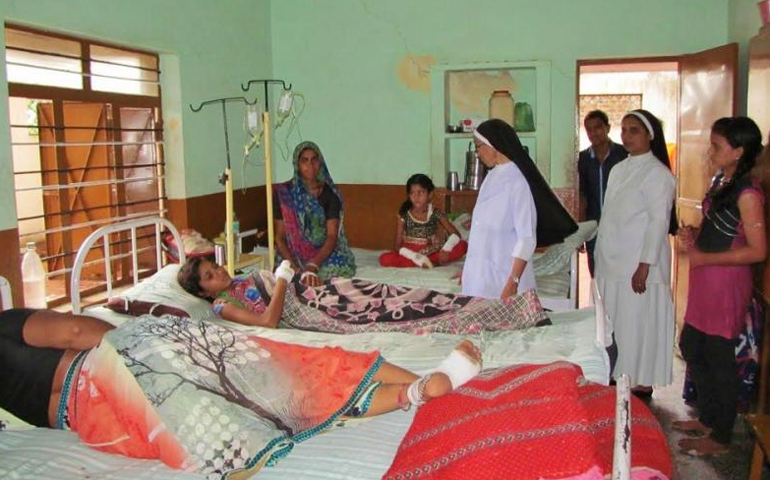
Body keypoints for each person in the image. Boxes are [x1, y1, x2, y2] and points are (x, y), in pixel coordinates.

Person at [0, 304, 481, 478]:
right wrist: (135, 327)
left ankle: (410, 396)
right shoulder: (7, 324)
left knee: (226, 408)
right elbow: (74, 335)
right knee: (271, 366)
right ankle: (412, 381)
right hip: (106, 369)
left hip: (94, 423)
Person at [673, 117, 765, 456]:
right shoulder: (721, 181)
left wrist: (703, 258)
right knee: (692, 345)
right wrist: (694, 236)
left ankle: (721, 436)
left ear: (738, 151)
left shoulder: (748, 193)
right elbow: (719, 233)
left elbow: (757, 250)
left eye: (717, 146)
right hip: (706, 279)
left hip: (725, 283)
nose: (710, 152)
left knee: (718, 356)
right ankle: (709, 417)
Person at [178, 256, 549, 334]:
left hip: (322, 295)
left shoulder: (242, 277)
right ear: (203, 292)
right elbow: (269, 321)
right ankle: (510, 315)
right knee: (395, 313)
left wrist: (303, 279)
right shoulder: (227, 306)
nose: (221, 273)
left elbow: (289, 287)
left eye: (216, 266)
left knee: (398, 291)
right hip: (310, 314)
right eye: (211, 276)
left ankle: (506, 307)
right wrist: (282, 281)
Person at [593, 109, 677, 397]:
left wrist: (645, 265)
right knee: (617, 322)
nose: (626, 136)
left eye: (634, 131)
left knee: (638, 323)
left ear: (650, 136)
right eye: (624, 130)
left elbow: (658, 222)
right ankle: (619, 374)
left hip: (638, 264)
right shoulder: (619, 168)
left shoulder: (658, 174)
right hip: (613, 262)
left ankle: (640, 380)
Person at [461, 119, 577, 300]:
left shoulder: (518, 182)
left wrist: (513, 281)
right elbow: (483, 232)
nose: (477, 153)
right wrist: (470, 269)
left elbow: (526, 239)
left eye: (478, 147)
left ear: (494, 145)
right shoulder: (491, 176)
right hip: (482, 278)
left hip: (505, 281)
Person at [274, 141, 355, 287]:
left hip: (322, 253)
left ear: (320, 162)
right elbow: (280, 238)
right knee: (284, 273)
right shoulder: (284, 194)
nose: (310, 165)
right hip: (292, 254)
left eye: (314, 159)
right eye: (304, 160)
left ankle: (311, 279)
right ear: (297, 164)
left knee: (337, 270)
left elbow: (332, 236)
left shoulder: (331, 195)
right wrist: (293, 266)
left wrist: (313, 265)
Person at [379, 173, 467, 268]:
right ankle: (425, 263)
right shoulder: (403, 214)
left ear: (430, 194)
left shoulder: (436, 213)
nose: (416, 197)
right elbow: (397, 246)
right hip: (410, 255)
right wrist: (414, 256)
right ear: (408, 195)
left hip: (431, 252)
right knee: (384, 258)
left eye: (420, 192)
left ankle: (427, 262)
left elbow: (456, 234)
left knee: (463, 245)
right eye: (412, 193)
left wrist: (446, 249)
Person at [578, 110, 628, 275]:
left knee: (620, 272)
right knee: (596, 272)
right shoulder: (583, 159)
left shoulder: (624, 155)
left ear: (607, 127)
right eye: (589, 129)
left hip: (621, 226)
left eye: (598, 127)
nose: (593, 133)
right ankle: (600, 302)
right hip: (594, 226)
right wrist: (581, 231)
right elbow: (582, 196)